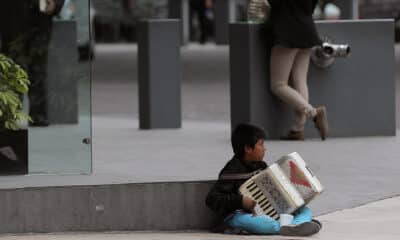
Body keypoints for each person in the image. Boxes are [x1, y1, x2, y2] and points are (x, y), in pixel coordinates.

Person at [205, 123, 321, 236]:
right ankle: (294, 225)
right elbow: (212, 199)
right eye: (261, 144)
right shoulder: (231, 171)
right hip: (238, 215)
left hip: (268, 213)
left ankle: (293, 225)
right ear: (248, 149)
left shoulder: (261, 166)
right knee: (265, 224)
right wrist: (240, 201)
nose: (264, 149)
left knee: (305, 210)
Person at [268, 0, 328, 140]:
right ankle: (297, 129)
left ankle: (313, 113)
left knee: (278, 85)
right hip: (307, 29)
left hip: (287, 31)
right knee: (299, 80)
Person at [0, 0, 65, 127]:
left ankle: (38, 114)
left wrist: (56, 4)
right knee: (14, 69)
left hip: (39, 21)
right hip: (12, 19)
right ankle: (10, 114)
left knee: (38, 69)